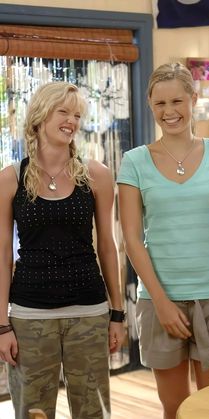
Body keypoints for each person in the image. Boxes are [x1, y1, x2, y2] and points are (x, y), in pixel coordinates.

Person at [117, 62, 209, 419]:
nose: (169, 112)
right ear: (151, 106)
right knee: (175, 407)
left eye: (177, 101)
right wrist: (162, 301)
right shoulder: (134, 161)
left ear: (193, 99)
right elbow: (132, 239)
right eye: (160, 104)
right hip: (158, 299)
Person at [0, 81, 125, 419]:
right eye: (63, 112)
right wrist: (2, 325)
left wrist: (117, 313)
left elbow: (108, 248)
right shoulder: (10, 178)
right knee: (33, 412)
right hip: (29, 316)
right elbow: (2, 257)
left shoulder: (96, 174)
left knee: (93, 412)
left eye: (77, 115)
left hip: (90, 312)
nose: (72, 120)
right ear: (40, 116)